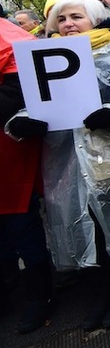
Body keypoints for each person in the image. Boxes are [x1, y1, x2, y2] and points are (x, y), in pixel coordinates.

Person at [7, 0, 110, 330]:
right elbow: (32, 103)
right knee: (81, 230)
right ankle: (100, 293)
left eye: (76, 16)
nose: (68, 24)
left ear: (94, 18)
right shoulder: (42, 59)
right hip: (64, 163)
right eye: (61, 19)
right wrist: (19, 121)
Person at [0, 20, 53, 333]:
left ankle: (39, 295)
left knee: (21, 225)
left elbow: (17, 94)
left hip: (10, 152)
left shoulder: (11, 38)